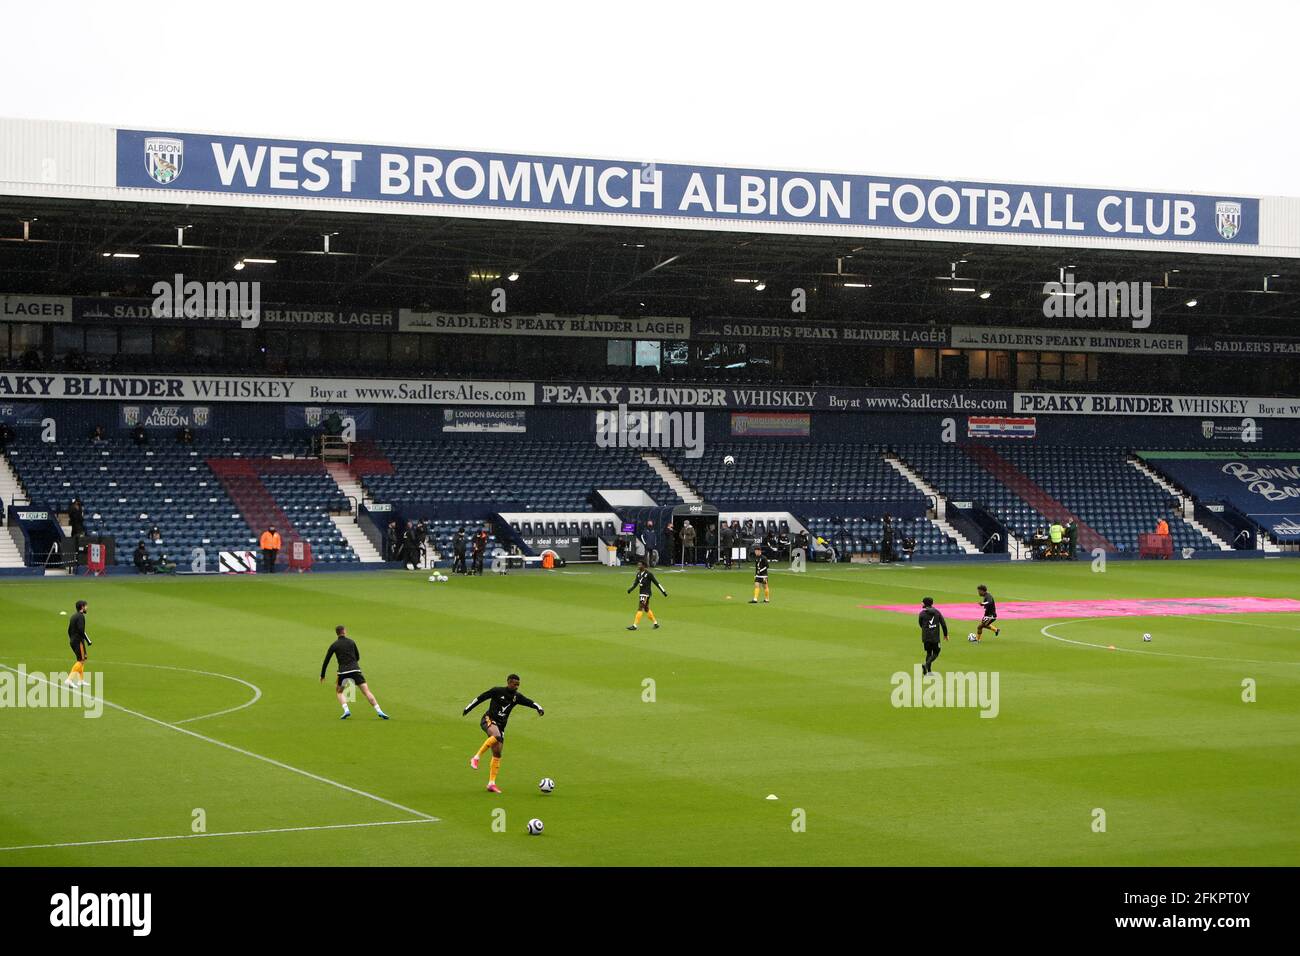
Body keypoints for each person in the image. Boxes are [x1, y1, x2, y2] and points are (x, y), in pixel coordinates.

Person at [463, 674, 544, 793]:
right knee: (496, 736)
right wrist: (468, 708)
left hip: (501, 726)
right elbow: (481, 697)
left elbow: (529, 702)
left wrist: (539, 708)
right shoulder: (497, 691)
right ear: (508, 682)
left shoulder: (516, 697)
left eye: (518, 685)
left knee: (497, 753)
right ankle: (476, 757)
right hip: (488, 719)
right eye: (514, 684)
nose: (516, 687)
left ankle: (491, 783)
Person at [319, 624, 389, 720]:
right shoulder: (351, 642)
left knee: (339, 692)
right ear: (344, 631)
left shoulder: (334, 645)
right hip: (355, 670)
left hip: (343, 673)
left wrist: (322, 675)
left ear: (337, 633)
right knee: (366, 691)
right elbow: (357, 657)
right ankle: (379, 710)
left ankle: (346, 710)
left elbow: (326, 661)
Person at [626, 560, 668, 631]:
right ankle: (655, 623)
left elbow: (656, 583)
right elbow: (635, 583)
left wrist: (663, 591)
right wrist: (630, 589)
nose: (638, 566)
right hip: (641, 593)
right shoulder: (638, 574)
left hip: (646, 593)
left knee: (640, 607)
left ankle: (634, 625)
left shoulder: (649, 574)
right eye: (638, 565)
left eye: (640, 565)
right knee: (646, 608)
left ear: (644, 566)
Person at [918, 596, 949, 675]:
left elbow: (920, 624)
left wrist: (926, 630)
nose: (921, 603)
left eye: (922, 602)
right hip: (935, 637)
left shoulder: (922, 613)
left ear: (925, 604)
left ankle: (929, 671)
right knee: (936, 652)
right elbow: (943, 624)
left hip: (926, 637)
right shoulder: (937, 612)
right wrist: (945, 634)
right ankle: (926, 665)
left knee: (928, 653)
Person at [65, 599, 91, 687]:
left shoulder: (73, 616)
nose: (87, 608)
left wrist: (72, 639)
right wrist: (88, 641)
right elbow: (81, 630)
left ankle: (81, 680)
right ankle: (69, 679)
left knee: (82, 660)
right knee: (81, 660)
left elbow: (68, 630)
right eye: (86, 606)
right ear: (82, 607)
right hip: (78, 641)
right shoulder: (80, 616)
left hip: (73, 640)